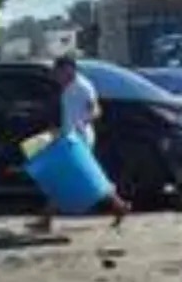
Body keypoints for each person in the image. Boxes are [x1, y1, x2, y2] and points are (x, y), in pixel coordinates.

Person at [26, 56, 129, 234]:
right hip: (70, 137)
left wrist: (84, 121)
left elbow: (96, 109)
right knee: (78, 178)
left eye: (59, 71)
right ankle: (119, 205)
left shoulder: (82, 86)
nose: (56, 75)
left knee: (64, 177)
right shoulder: (67, 87)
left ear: (69, 69)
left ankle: (46, 220)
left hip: (80, 139)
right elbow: (71, 112)